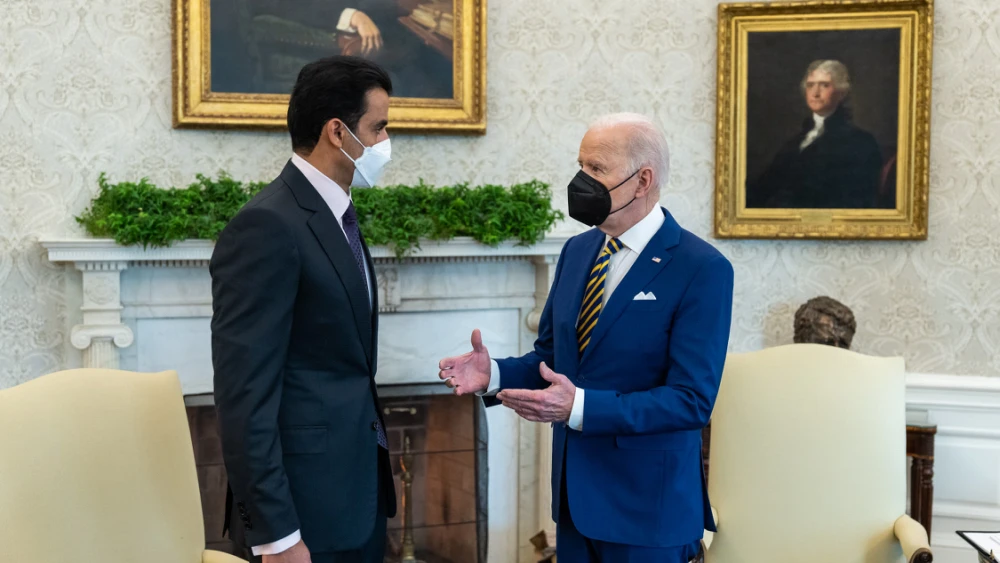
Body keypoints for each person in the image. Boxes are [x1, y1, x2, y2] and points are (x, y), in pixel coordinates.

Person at [438, 113, 735, 562]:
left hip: (647, 515)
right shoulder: (577, 250)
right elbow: (553, 360)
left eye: (597, 169)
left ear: (643, 180)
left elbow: (691, 400)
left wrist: (579, 407)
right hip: (575, 508)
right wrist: (494, 373)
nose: (581, 181)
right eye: (581, 166)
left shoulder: (702, 268)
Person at [210, 56, 396, 563]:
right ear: (338, 132)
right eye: (378, 128)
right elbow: (243, 396)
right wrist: (277, 537)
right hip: (301, 519)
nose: (386, 142)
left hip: (355, 499)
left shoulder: (337, 214)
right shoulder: (267, 225)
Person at [746, 60, 884, 209]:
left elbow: (853, 200)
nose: (815, 93)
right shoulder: (796, 141)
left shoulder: (860, 142)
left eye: (824, 85)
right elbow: (765, 185)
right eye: (810, 85)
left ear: (841, 93)